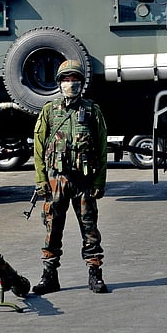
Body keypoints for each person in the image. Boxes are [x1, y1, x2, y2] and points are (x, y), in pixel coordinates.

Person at [33, 60, 109, 294]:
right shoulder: (49, 111)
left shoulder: (92, 111)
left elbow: (102, 147)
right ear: (59, 83)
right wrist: (41, 180)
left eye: (74, 79)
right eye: (66, 79)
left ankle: (95, 274)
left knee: (89, 229)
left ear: (81, 83)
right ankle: (49, 276)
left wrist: (99, 181)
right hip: (56, 180)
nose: (70, 84)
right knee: (53, 228)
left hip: (84, 181)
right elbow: (38, 146)